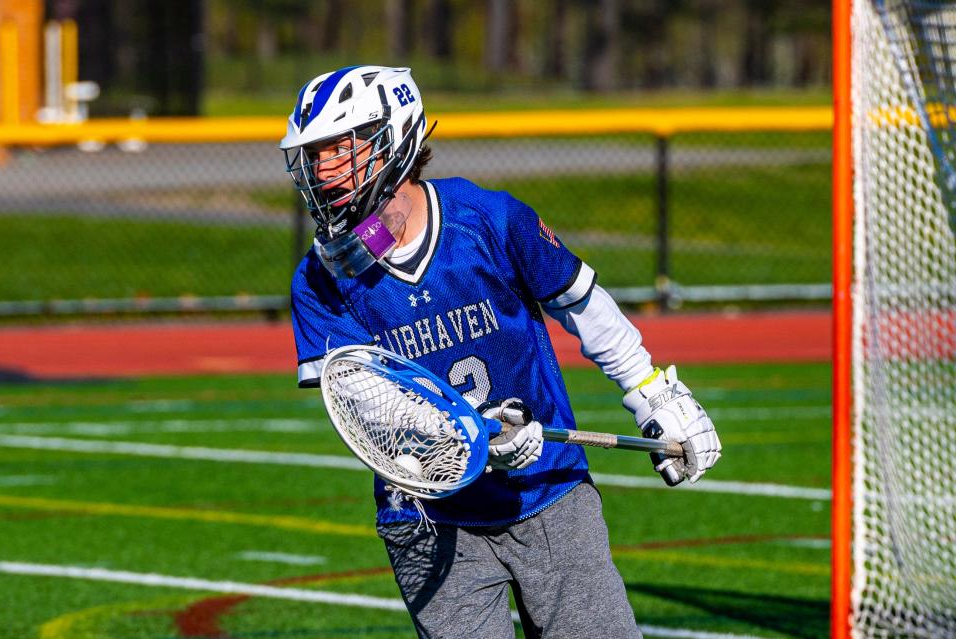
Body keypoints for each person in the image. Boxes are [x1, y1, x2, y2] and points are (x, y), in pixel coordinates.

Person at [281, 65, 721, 639]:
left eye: (338, 149)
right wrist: (472, 439)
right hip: (428, 521)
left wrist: (654, 393)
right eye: (312, 156)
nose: (322, 170)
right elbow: (366, 403)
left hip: (549, 491)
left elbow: (581, 305)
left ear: (394, 138)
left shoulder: (488, 219)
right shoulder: (319, 281)